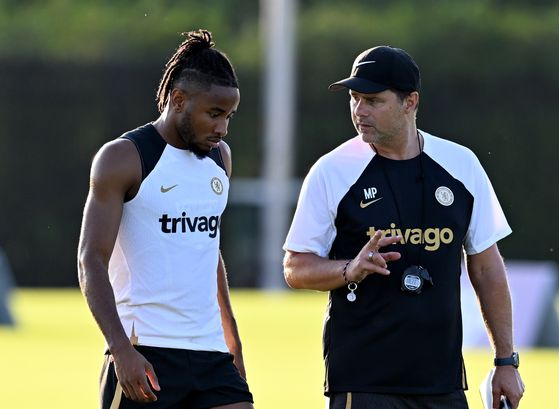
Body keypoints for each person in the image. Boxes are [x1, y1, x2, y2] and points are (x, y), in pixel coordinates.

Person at [283, 45, 525, 409]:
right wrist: (350, 269)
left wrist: (505, 361)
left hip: (442, 383)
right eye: (354, 98)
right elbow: (295, 268)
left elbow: (487, 266)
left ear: (410, 102)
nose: (359, 111)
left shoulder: (461, 164)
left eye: (373, 100)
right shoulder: (331, 171)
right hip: (363, 380)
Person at [77, 29, 253, 409]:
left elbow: (208, 253)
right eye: (214, 114)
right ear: (178, 100)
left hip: (210, 355)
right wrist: (120, 350)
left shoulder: (220, 159)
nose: (222, 128)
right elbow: (90, 260)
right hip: (146, 354)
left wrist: (232, 340)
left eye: (230, 116)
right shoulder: (123, 158)